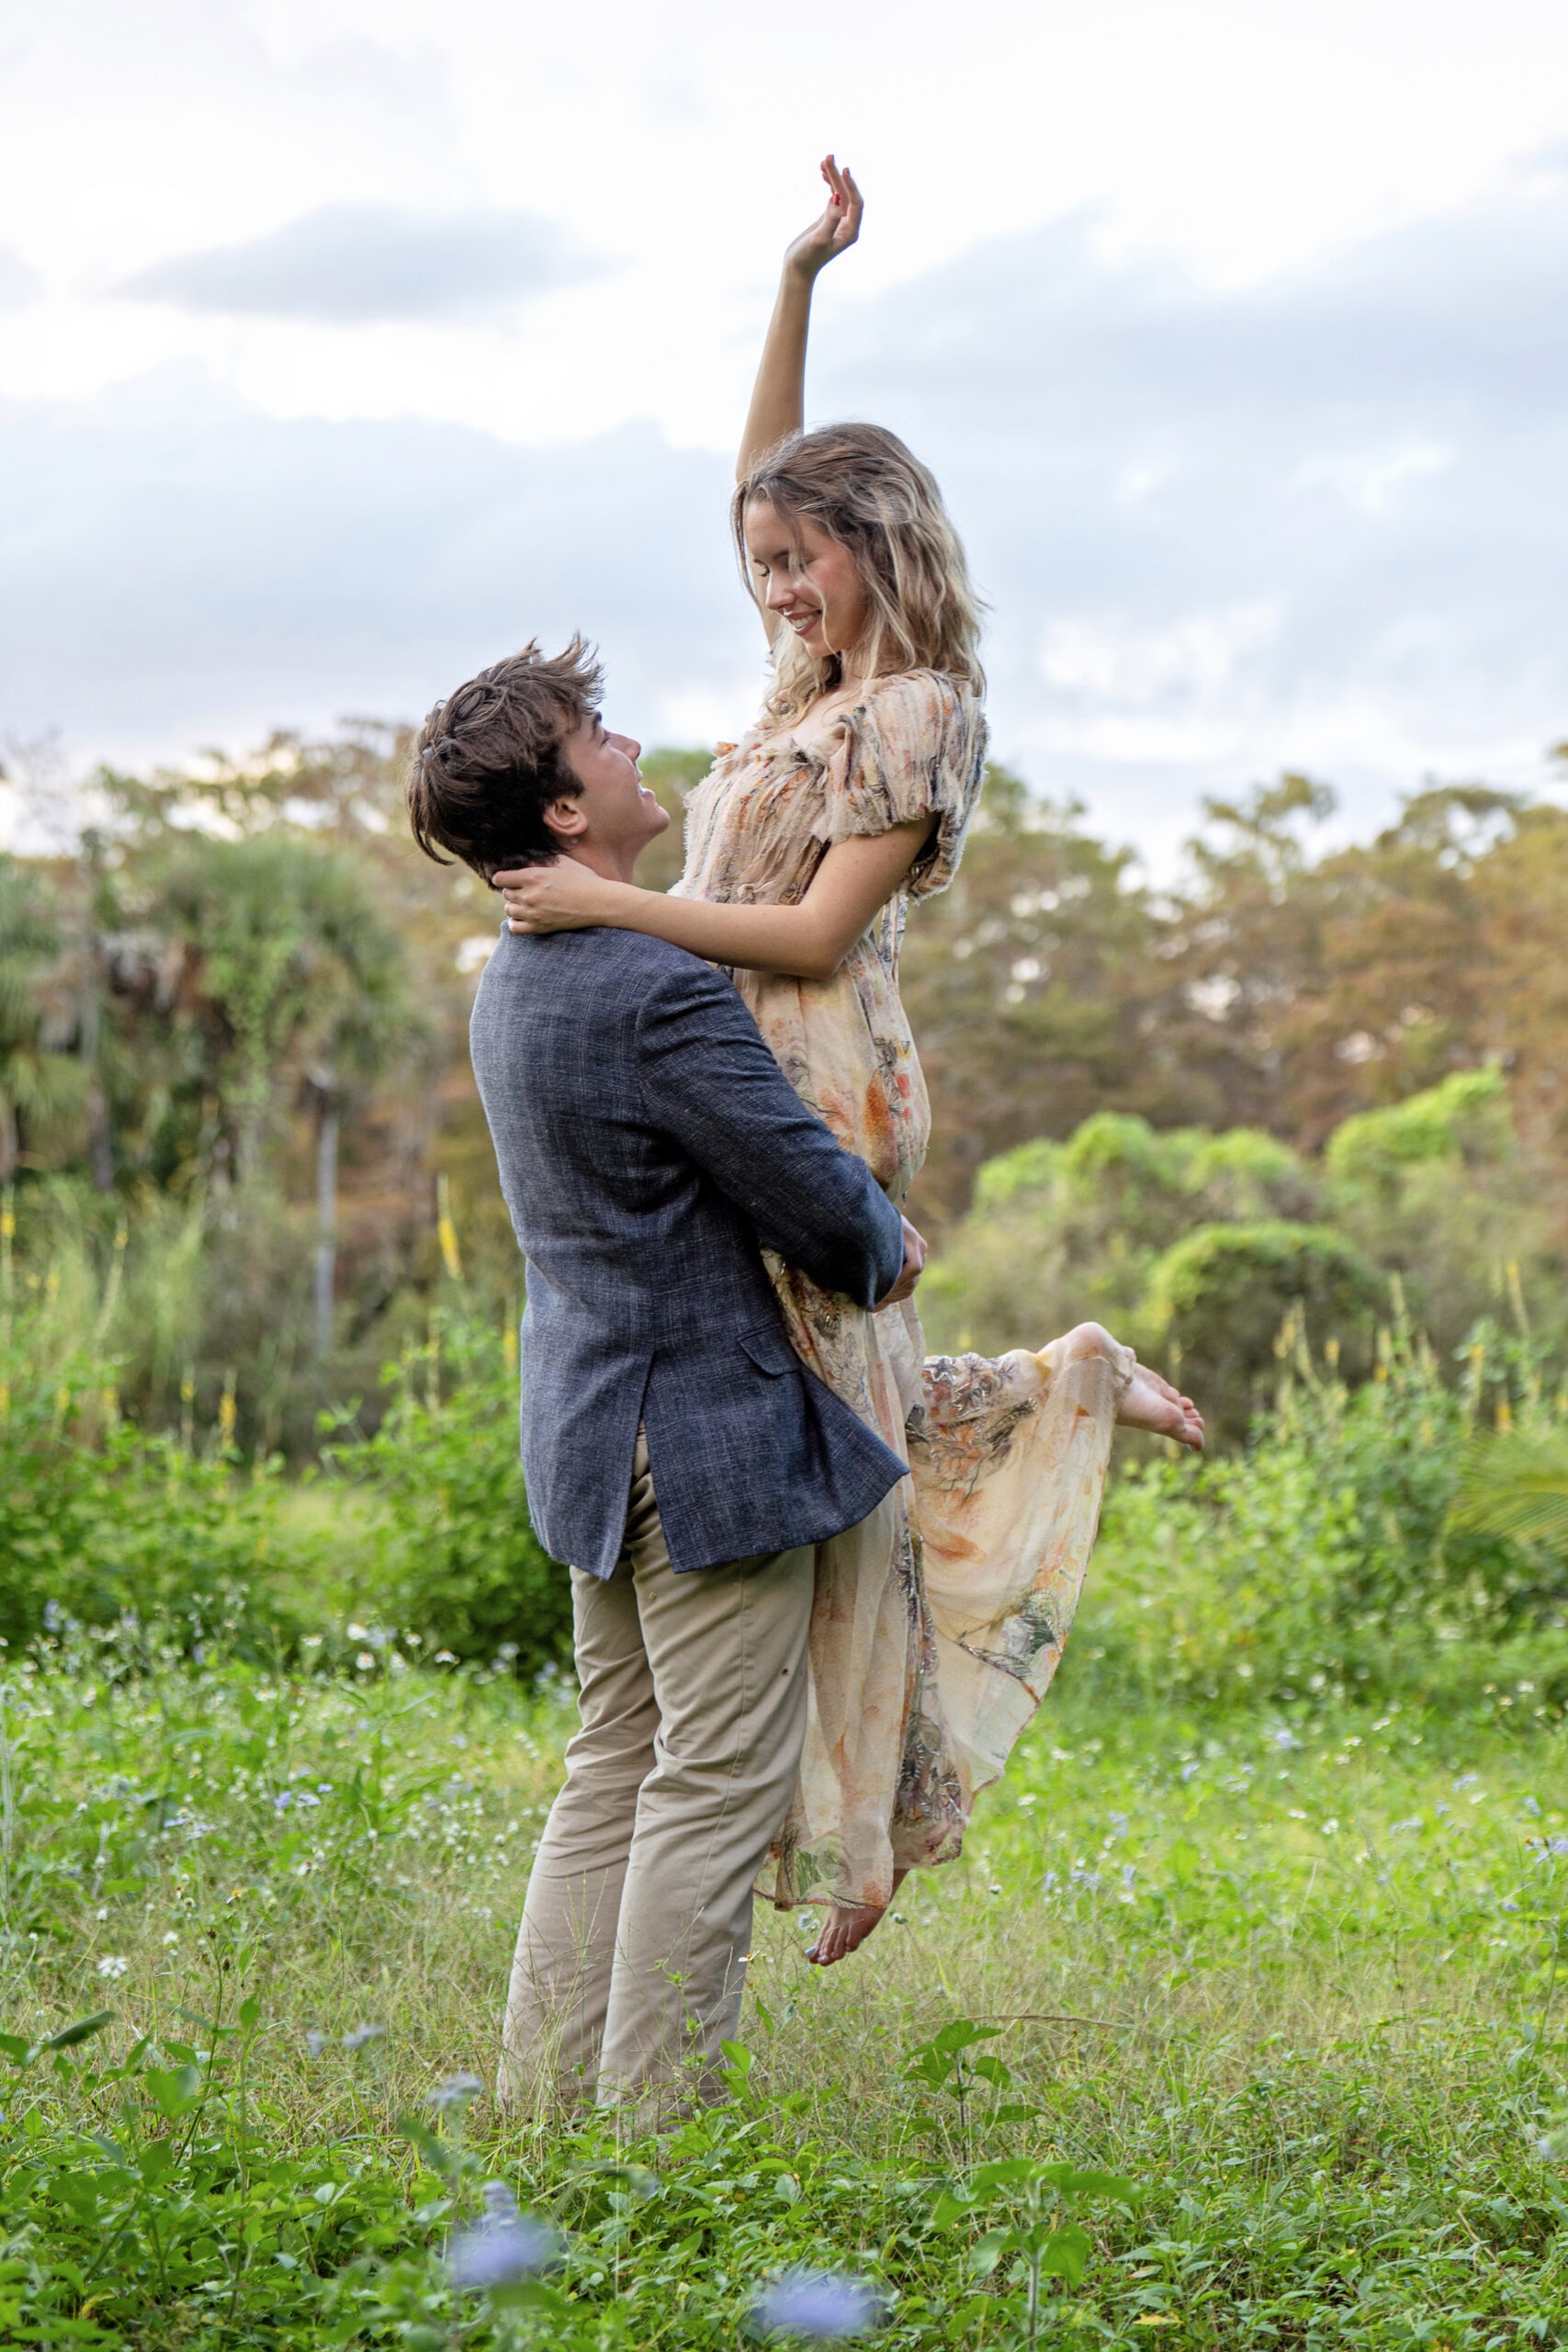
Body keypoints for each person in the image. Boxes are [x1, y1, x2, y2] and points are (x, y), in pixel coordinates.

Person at [495, 159, 1204, 1969]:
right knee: (831, 1425)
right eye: (757, 566)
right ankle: (1067, 1384)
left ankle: (869, 1814)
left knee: (838, 1434)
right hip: (709, 1048)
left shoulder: (915, 717)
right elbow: (763, 465)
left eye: (801, 557)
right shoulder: (792, 695)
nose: (774, 587)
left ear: (874, 549)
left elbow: (812, 939)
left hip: (809, 1069)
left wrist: (603, 901)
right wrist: (795, 274)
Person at [407, 639, 924, 2120]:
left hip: (587, 1429)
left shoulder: (516, 979)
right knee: (707, 1785)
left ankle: (544, 2104)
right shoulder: (655, 983)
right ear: (568, 815)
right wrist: (888, 1243)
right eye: (600, 739)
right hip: (694, 1440)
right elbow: (810, 1197)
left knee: (614, 1764)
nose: (630, 748)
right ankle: (653, 2142)